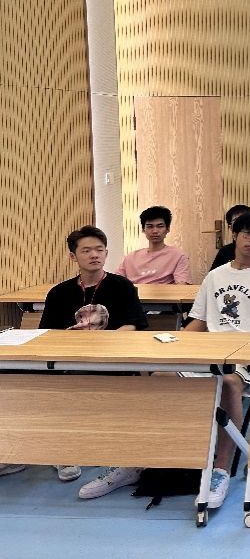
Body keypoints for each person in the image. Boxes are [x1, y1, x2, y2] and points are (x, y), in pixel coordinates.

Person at [18, 226, 149, 493]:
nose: (94, 255)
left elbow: (133, 324)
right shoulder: (60, 292)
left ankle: (97, 451)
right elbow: (48, 334)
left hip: (111, 361)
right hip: (67, 361)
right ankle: (41, 449)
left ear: (106, 253)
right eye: (86, 250)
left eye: (99, 250)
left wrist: (102, 345)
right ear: (73, 256)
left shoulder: (122, 286)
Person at [186, 211, 250, 509]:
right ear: (235, 236)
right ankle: (148, 461)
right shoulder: (215, 276)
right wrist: (171, 345)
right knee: (160, 376)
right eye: (247, 233)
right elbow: (198, 321)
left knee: (229, 383)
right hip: (209, 351)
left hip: (245, 356)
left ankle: (221, 469)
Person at [116, 206, 191, 284]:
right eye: (150, 226)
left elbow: (182, 286)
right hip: (133, 292)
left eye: (160, 226)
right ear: (143, 229)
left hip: (163, 292)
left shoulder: (178, 255)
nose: (155, 231)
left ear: (168, 229)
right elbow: (114, 283)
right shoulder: (130, 257)